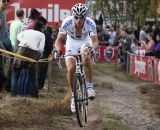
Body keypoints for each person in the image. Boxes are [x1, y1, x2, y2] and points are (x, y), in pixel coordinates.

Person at [54, 3, 98, 112]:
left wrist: (92, 49)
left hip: (85, 41)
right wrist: (58, 50)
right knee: (71, 68)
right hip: (71, 43)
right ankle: (74, 96)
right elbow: (58, 40)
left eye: (82, 17)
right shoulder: (67, 22)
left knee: (86, 58)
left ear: (86, 17)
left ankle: (89, 86)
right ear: (72, 16)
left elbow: (95, 41)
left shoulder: (90, 23)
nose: (79, 20)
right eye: (76, 17)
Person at [11, 21, 45, 97]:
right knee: (33, 77)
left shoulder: (25, 31)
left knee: (15, 76)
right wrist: (39, 56)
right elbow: (40, 49)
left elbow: (18, 37)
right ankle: (35, 97)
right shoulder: (42, 35)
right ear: (41, 28)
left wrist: (22, 44)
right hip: (33, 53)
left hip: (21, 51)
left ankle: (13, 96)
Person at [0, 0, 13, 90]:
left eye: (7, 1)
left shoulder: (3, 13)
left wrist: (10, 48)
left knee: (1, 68)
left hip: (2, 47)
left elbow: (5, 33)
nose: (5, 2)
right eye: (3, 0)